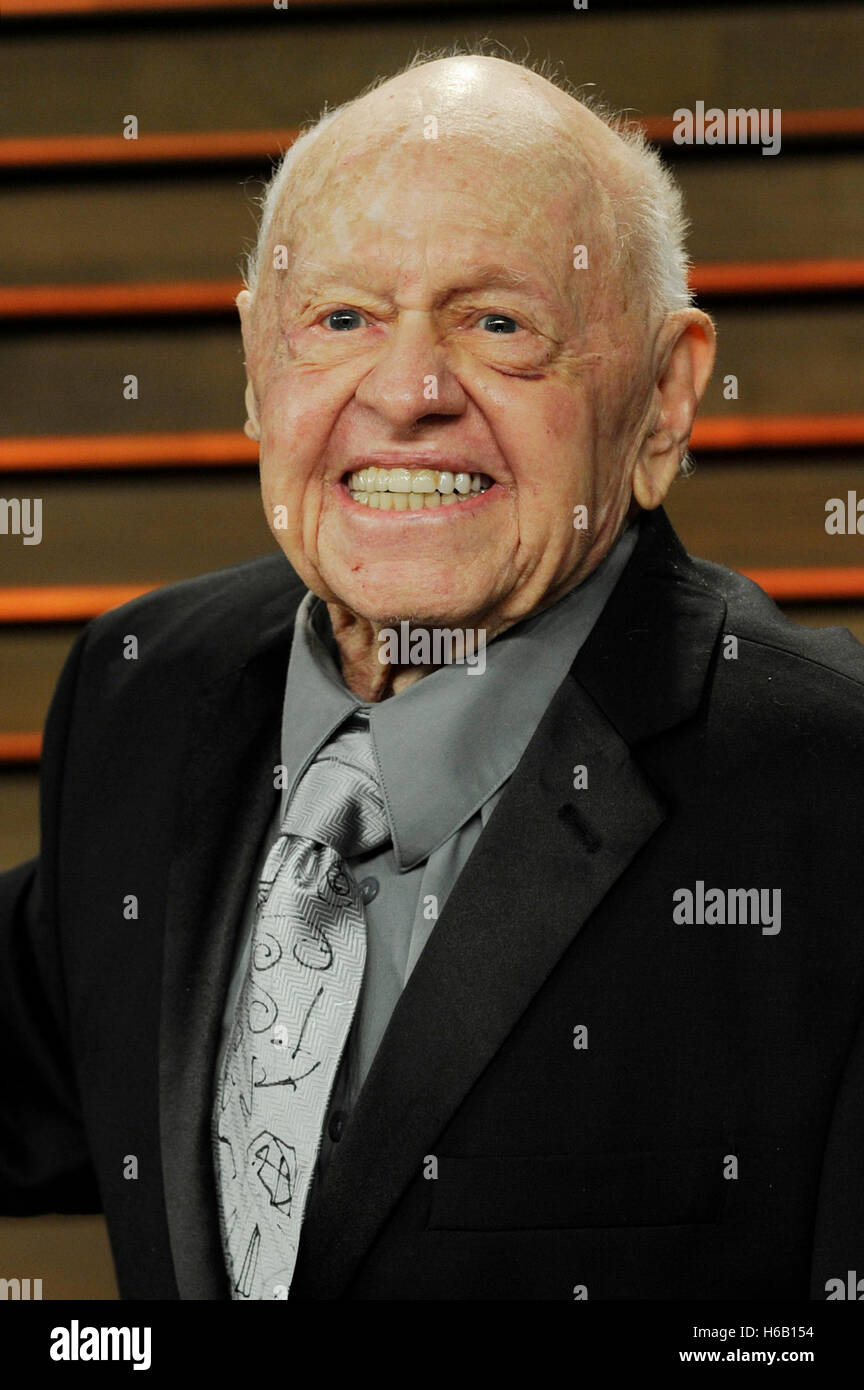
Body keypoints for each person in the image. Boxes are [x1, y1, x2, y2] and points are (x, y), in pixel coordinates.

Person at [2, 54, 863, 1301]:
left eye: (499, 324)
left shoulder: (830, 806)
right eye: (341, 318)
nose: (406, 395)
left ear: (667, 397)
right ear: (257, 365)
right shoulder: (143, 692)